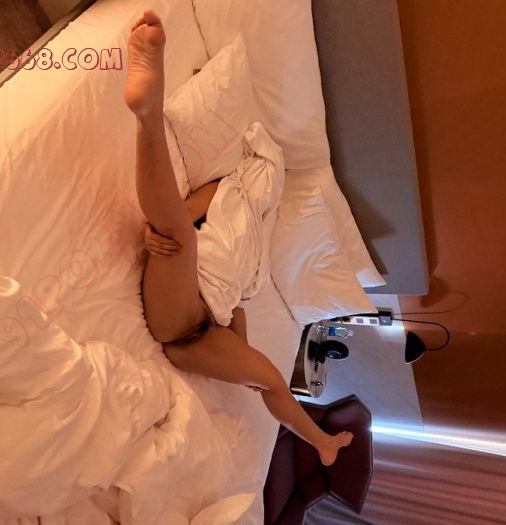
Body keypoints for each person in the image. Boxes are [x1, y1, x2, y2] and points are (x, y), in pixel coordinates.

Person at [124, 9, 352, 466]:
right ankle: (148, 111)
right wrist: (162, 231)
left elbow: (236, 309)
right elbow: (195, 210)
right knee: (179, 238)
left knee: (270, 378)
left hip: (188, 329)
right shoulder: (230, 188)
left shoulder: (255, 218)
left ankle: (321, 443)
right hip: (199, 306)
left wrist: (238, 348)